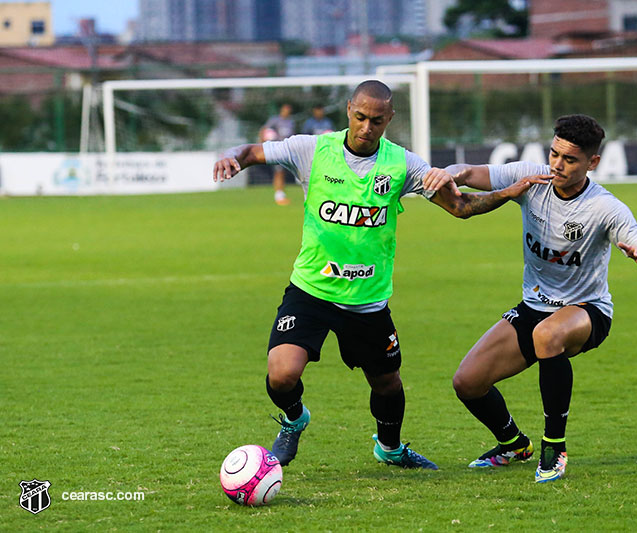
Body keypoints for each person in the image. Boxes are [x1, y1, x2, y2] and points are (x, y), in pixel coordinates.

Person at [212, 80, 545, 470]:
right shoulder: (313, 149)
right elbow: (251, 150)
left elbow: (460, 207)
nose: (366, 127)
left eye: (376, 120)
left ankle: (390, 448)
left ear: (389, 119)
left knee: (387, 384)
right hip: (312, 290)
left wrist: (509, 193)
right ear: (348, 110)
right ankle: (294, 418)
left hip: (367, 301)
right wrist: (230, 156)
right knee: (282, 373)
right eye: (360, 117)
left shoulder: (403, 164)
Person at [424, 114, 637, 482]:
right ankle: (513, 444)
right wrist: (449, 173)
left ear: (593, 163)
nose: (557, 164)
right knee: (467, 382)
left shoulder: (605, 207)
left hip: (586, 312)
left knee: (547, 335)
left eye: (569, 159)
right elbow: (469, 172)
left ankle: (554, 447)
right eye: (554, 153)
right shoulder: (533, 177)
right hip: (534, 307)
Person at [260, 103, 295, 205]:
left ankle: (281, 193)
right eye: (285, 110)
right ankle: (278, 195)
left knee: (283, 172)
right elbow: (264, 130)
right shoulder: (275, 120)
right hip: (277, 149)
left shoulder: (290, 122)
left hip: (287, 150)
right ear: (281, 110)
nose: (286, 112)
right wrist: (263, 142)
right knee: (278, 172)